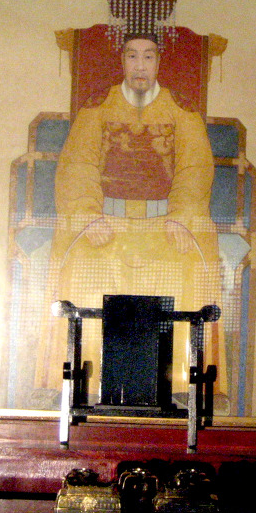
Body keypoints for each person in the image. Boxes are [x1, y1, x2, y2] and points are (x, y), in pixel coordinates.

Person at [41, 20, 221, 401]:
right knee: (76, 257)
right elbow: (77, 166)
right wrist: (88, 215)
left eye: (148, 57)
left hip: (165, 223)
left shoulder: (181, 111)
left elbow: (195, 168)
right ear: (122, 61)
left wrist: (182, 216)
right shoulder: (97, 109)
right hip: (106, 221)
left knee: (195, 256)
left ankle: (182, 383)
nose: (140, 65)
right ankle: (79, 381)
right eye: (133, 56)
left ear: (159, 62)